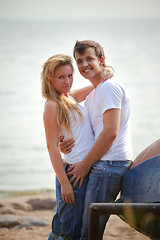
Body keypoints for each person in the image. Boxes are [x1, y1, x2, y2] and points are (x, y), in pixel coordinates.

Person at [60, 40, 133, 239]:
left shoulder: (109, 87)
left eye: (89, 59)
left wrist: (84, 165)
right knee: (86, 227)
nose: (84, 65)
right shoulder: (95, 92)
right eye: (79, 61)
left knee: (89, 231)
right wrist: (63, 142)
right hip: (100, 163)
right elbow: (62, 97)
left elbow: (111, 132)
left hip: (109, 164)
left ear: (101, 60)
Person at [41, 54, 113, 240]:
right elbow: (51, 146)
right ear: (50, 79)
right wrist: (64, 183)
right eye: (61, 77)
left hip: (83, 170)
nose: (67, 81)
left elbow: (98, 85)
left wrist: (108, 70)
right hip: (71, 175)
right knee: (69, 230)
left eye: (70, 76)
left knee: (74, 225)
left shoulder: (70, 96)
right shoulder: (52, 104)